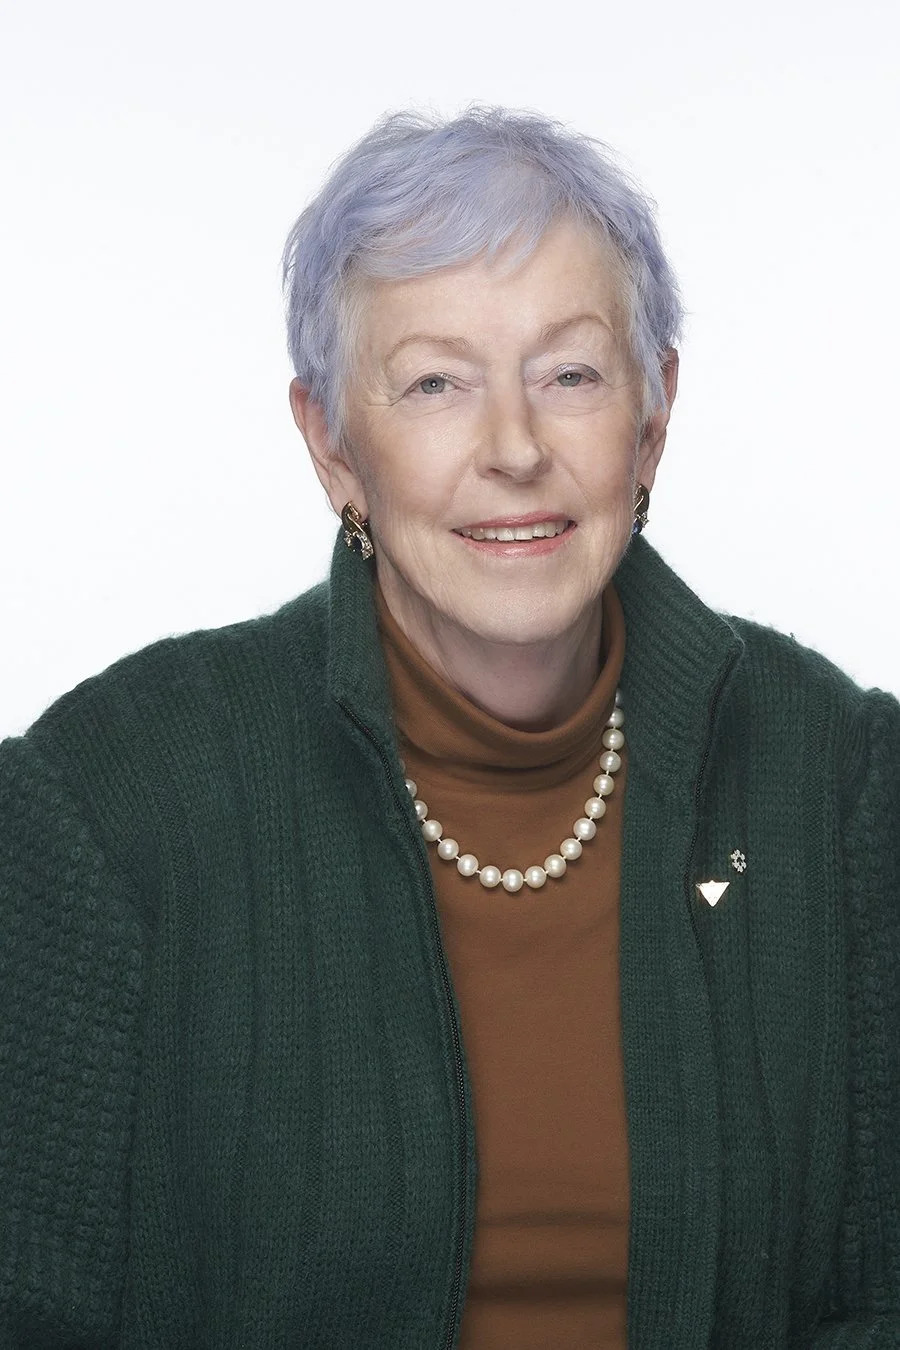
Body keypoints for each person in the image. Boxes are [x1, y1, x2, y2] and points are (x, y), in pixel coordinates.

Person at [1, 102, 898, 1350]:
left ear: (653, 418)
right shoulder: (105, 802)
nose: (515, 448)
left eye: (570, 375)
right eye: (435, 384)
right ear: (332, 446)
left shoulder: (846, 782)